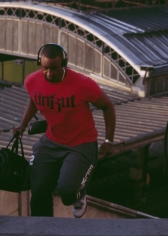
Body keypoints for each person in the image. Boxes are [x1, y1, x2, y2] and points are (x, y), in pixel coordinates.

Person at [13, 43, 115, 218]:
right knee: (38, 191)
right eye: (45, 68)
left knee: (67, 194)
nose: (49, 73)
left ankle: (80, 193)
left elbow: (107, 106)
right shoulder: (32, 80)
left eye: (54, 68)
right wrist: (22, 125)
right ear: (39, 63)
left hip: (81, 143)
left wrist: (108, 141)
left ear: (64, 64)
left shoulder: (83, 84)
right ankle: (43, 233)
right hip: (52, 140)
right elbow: (33, 98)